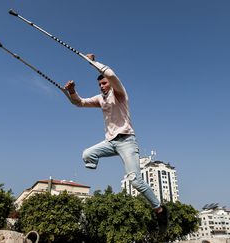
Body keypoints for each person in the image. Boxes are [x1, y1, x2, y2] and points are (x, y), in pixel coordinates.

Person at [64, 54, 168, 232]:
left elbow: (110, 74)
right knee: (87, 154)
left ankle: (159, 209)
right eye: (100, 84)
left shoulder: (119, 94)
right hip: (110, 142)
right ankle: (93, 167)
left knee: (135, 180)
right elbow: (79, 103)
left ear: (111, 84)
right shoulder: (100, 99)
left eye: (104, 83)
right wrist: (72, 91)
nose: (102, 86)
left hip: (127, 141)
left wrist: (93, 63)